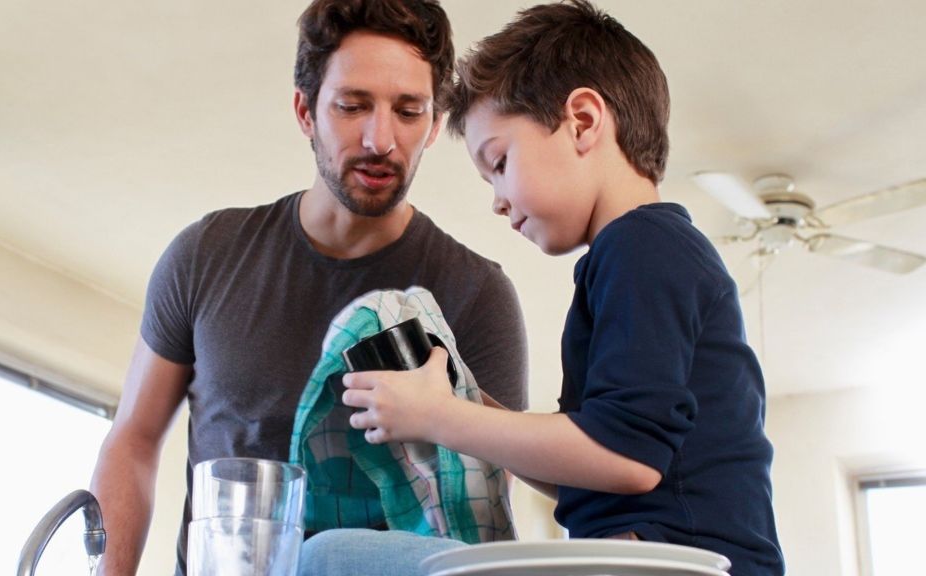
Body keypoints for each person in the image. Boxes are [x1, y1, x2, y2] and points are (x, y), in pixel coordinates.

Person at [308, 1, 785, 574]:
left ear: (582, 121)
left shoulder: (643, 246)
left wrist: (437, 417)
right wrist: (467, 406)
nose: (497, 201)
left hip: (678, 565)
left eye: (500, 162)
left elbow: (628, 457)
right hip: (650, 556)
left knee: (329, 555)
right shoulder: (633, 257)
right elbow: (591, 468)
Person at [88, 1, 530, 574]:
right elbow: (133, 439)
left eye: (408, 111)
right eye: (352, 106)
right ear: (305, 111)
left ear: (435, 123)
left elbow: (481, 509)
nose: (380, 139)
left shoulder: (478, 295)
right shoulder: (206, 255)